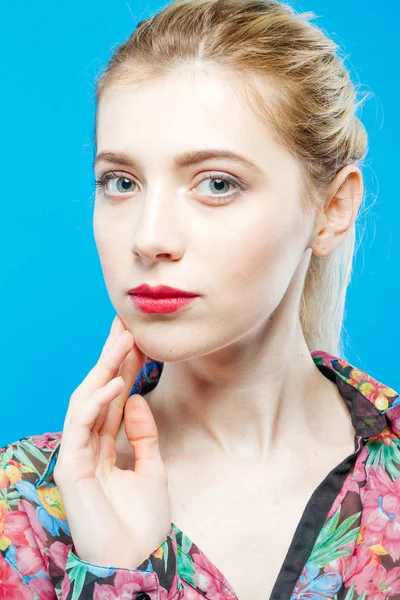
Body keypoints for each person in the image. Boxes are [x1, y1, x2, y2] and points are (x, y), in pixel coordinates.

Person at [1, 0, 399, 598]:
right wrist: (118, 570)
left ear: (332, 208)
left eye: (217, 183)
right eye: (121, 182)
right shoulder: (25, 505)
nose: (148, 237)